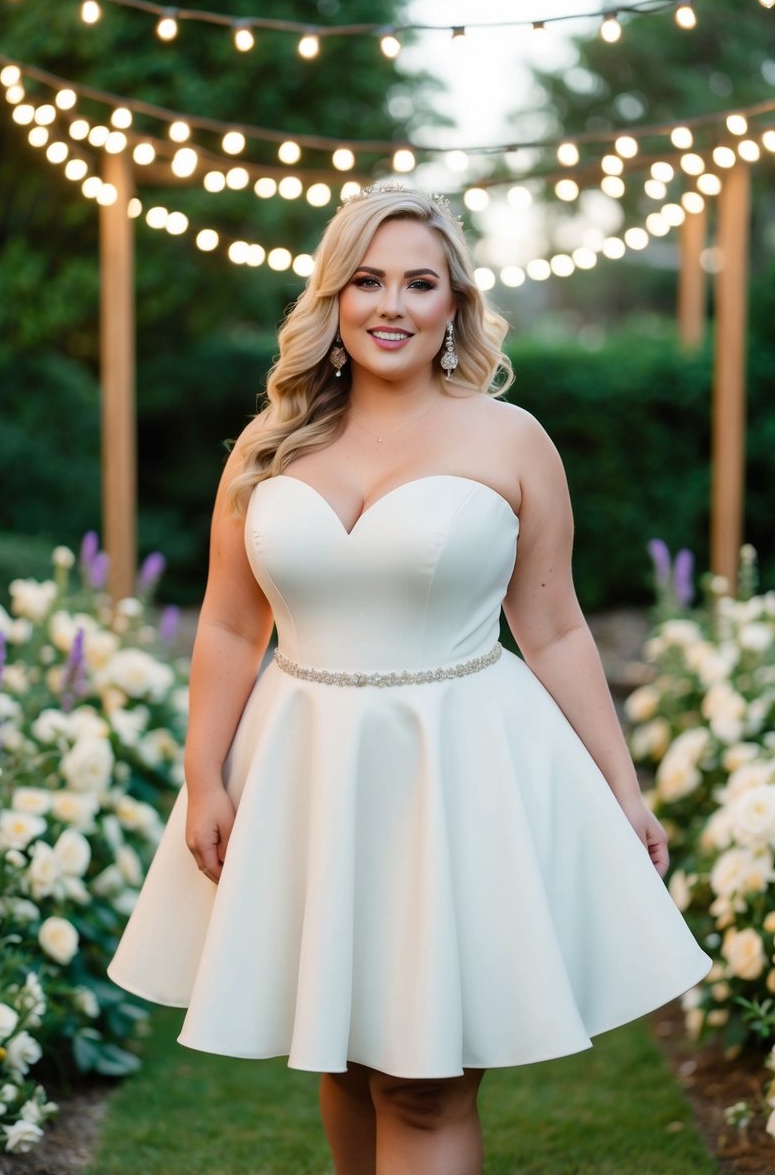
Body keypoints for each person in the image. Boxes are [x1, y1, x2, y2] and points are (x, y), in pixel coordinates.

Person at [108, 184, 712, 1175]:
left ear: (454, 307)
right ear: (334, 302)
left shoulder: (510, 440)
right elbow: (225, 623)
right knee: (345, 1063)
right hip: (305, 765)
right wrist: (204, 774)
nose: (391, 304)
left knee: (422, 1083)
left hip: (457, 768)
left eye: (418, 283)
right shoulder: (268, 446)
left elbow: (553, 625)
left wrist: (621, 783)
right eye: (367, 280)